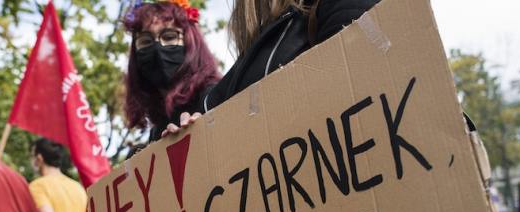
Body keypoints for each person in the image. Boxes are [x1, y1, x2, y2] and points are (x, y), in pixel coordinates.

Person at [161, 0, 380, 136]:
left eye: (169, 37)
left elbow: (366, 97)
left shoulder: (333, 8)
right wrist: (195, 135)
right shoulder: (243, 65)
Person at [123, 0, 221, 141]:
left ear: (191, 43)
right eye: (145, 41)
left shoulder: (214, 97)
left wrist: (211, 124)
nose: (157, 48)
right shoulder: (155, 133)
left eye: (169, 37)